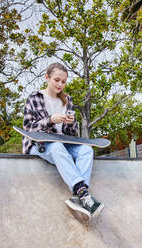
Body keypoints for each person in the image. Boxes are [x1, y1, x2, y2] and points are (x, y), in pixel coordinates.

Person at [22, 62, 104, 222]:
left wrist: (70, 123)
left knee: (86, 150)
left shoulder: (67, 100)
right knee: (56, 146)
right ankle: (84, 194)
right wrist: (50, 120)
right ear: (47, 78)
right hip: (39, 146)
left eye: (64, 81)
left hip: (63, 144)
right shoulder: (35, 97)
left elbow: (71, 134)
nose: (60, 84)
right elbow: (28, 128)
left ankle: (78, 197)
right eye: (56, 80)